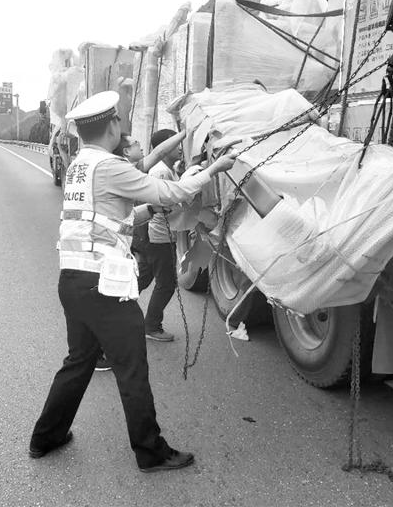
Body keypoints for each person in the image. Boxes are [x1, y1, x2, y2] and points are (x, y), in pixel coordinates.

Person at [29, 91, 237, 472]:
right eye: (118, 120)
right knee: (132, 367)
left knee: (79, 360)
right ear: (111, 126)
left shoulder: (79, 167)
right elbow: (172, 190)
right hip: (102, 287)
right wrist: (214, 169)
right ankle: (150, 451)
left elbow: (110, 220)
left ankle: (45, 437)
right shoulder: (109, 166)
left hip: (73, 280)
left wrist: (150, 209)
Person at [139, 129, 183, 342]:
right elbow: (164, 202)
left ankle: (110, 306)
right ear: (163, 147)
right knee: (166, 284)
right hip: (159, 236)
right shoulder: (160, 172)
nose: (180, 148)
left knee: (143, 277)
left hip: (158, 235)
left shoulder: (168, 169)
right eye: (175, 143)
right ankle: (152, 326)